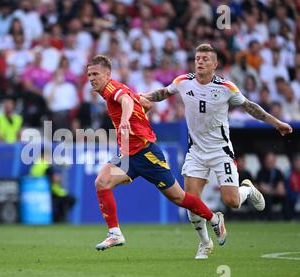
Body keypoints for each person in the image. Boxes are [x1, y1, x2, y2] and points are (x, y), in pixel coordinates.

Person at [141, 44, 293, 259]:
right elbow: (162, 93)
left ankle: (247, 189)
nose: (200, 61)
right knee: (190, 201)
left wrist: (276, 123)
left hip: (220, 151)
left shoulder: (226, 88)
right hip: (196, 151)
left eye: (205, 58)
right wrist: (139, 97)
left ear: (215, 64)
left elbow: (251, 107)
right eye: (197, 58)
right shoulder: (183, 82)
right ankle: (205, 243)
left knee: (232, 201)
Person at [86, 55, 226, 251]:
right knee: (102, 182)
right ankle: (114, 233)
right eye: (89, 74)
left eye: (96, 74)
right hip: (128, 154)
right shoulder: (116, 89)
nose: (92, 78)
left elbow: (126, 101)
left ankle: (214, 218)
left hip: (146, 153)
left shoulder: (112, 89)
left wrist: (126, 120)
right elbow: (146, 104)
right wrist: (137, 119)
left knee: (179, 197)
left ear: (107, 74)